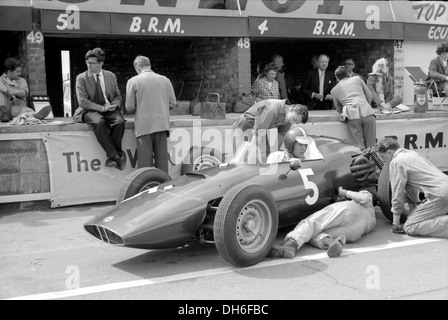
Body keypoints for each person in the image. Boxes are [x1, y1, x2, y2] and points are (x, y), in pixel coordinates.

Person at [269, 186, 376, 259]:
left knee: (314, 222)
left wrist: (343, 192)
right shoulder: (374, 220)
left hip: (351, 210)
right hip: (357, 232)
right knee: (315, 234)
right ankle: (331, 243)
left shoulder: (368, 196)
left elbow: (363, 198)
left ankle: (291, 243)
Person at [376, 138, 448, 238]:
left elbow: (398, 193)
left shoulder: (396, 162)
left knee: (410, 226)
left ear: (389, 152)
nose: (383, 161)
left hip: (439, 195)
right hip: (443, 187)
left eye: (382, 157)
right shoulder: (411, 154)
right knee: (418, 218)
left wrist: (396, 223)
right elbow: (412, 191)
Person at [73, 47, 126, 170]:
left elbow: (118, 95)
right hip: (90, 110)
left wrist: (115, 104)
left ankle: (111, 157)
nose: (89, 65)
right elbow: (83, 101)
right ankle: (117, 157)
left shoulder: (110, 76)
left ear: (101, 64)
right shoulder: (81, 78)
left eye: (92, 63)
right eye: (87, 63)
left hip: (110, 108)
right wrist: (102, 108)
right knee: (99, 122)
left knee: (120, 122)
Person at [125, 55, 176, 173]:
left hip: (144, 127)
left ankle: (147, 189)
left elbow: (129, 107)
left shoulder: (133, 81)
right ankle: (164, 187)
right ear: (149, 65)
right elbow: (173, 103)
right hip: (162, 126)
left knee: (145, 168)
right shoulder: (165, 80)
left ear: (137, 67)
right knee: (163, 165)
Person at [232, 100, 308, 162]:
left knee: (266, 155)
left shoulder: (288, 119)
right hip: (244, 126)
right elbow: (258, 133)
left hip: (260, 130)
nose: (293, 123)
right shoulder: (272, 108)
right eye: (294, 119)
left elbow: (281, 135)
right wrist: (251, 155)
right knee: (242, 156)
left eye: (296, 122)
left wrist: (274, 156)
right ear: (291, 109)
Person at [331, 65, 376, 148]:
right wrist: (366, 105)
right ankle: (373, 160)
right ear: (348, 74)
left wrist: (343, 113)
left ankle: (363, 161)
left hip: (352, 115)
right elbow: (369, 95)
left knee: (359, 147)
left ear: (336, 77)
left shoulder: (334, 90)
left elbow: (338, 108)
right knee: (371, 146)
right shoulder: (357, 79)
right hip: (367, 112)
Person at [0, 57, 51, 122]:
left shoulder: (22, 81)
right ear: (9, 71)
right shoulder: (0, 80)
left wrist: (14, 92)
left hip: (17, 107)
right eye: (17, 71)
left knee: (23, 111)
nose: (19, 74)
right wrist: (8, 92)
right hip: (3, 108)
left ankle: (35, 116)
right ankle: (4, 114)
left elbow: (23, 93)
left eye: (20, 71)